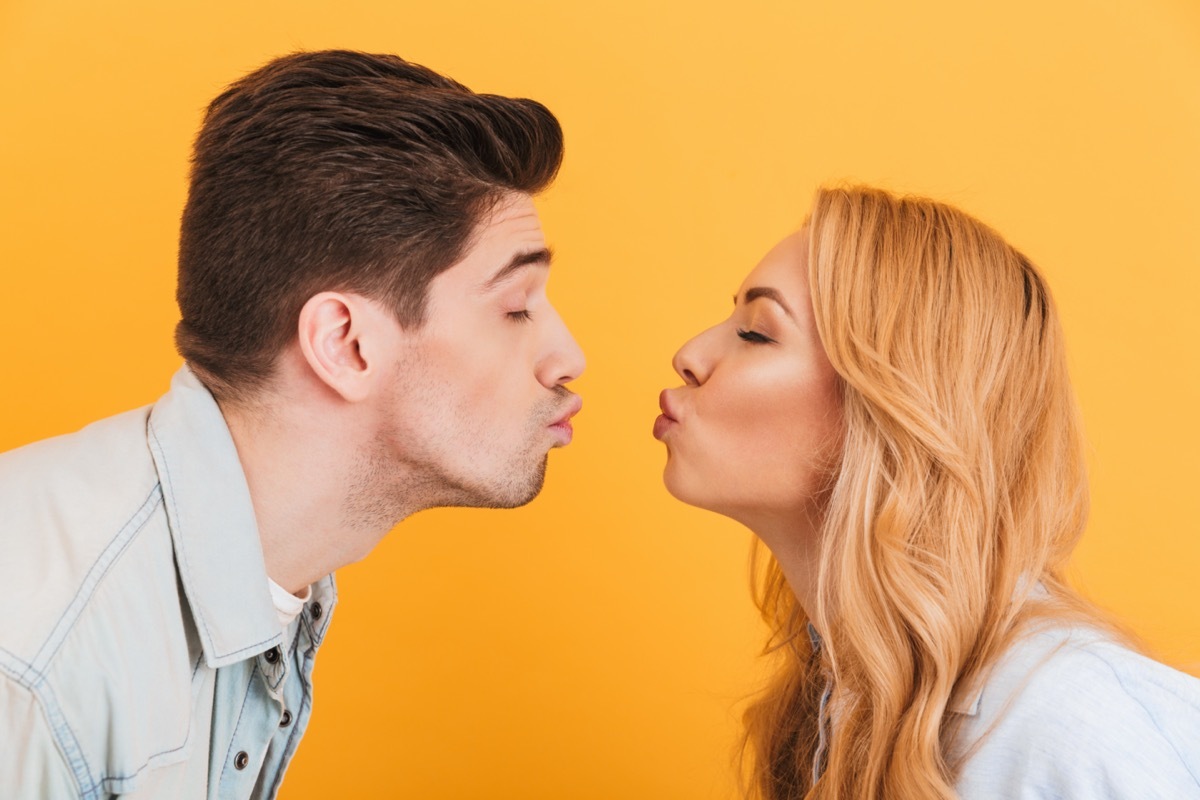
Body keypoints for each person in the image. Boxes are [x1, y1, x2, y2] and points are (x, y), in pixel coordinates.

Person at [0, 50, 584, 799]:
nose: (569, 356)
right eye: (516, 306)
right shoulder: (37, 668)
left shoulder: (272, 573)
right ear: (344, 344)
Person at [654, 185, 1200, 799]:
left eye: (756, 333)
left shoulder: (1079, 728)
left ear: (891, 406)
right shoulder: (836, 707)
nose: (690, 355)